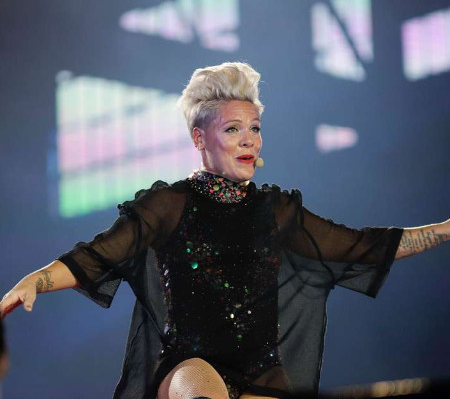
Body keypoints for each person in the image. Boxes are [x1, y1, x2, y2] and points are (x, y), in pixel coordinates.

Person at [0, 62, 449, 399]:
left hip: (262, 368)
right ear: (199, 139)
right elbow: (100, 255)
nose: (249, 139)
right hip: (191, 364)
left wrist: (445, 230)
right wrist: (34, 280)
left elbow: (361, 245)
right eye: (233, 129)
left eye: (254, 128)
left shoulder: (277, 210)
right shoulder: (169, 204)